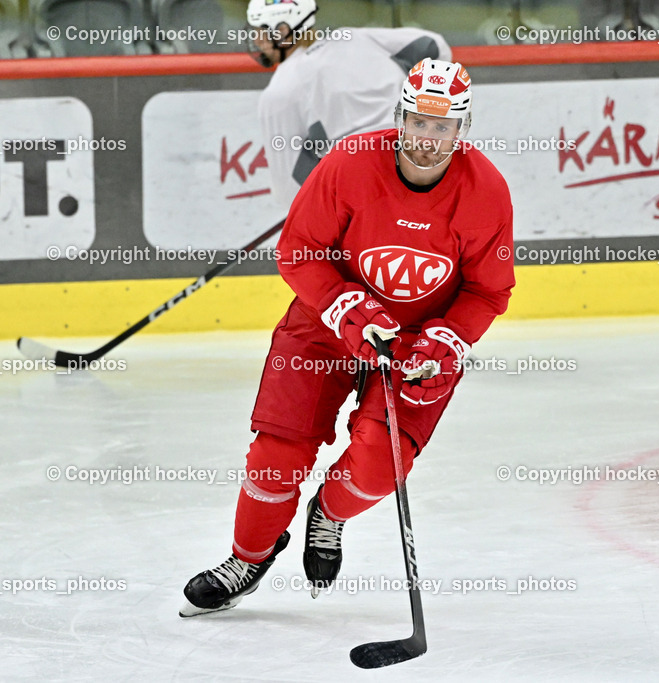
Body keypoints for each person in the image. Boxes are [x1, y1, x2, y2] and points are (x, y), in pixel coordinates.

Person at [181, 58, 515, 617]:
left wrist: (447, 340)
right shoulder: (350, 163)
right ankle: (247, 559)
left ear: (462, 128)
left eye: (442, 127)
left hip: (417, 344)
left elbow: (488, 290)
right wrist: (344, 305)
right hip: (328, 321)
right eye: (418, 122)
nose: (427, 139)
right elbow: (298, 251)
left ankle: (329, 515)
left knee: (381, 463)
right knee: (277, 453)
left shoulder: (486, 191)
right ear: (400, 117)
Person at [244, 0, 451, 211]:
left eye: (259, 30)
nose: (256, 39)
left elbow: (289, 188)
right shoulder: (351, 37)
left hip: (366, 187)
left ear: (282, 31)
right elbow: (434, 45)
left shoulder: (280, 90)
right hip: (429, 159)